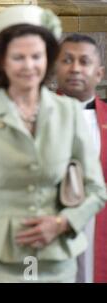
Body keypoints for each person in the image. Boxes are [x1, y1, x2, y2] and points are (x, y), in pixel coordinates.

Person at [0, 5, 107, 283]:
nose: (29, 66)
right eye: (19, 57)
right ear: (3, 61)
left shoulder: (69, 112)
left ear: (48, 60)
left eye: (36, 56)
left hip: (57, 260)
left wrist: (62, 222)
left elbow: (97, 191)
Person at [56, 34, 107, 283]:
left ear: (99, 73)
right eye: (67, 60)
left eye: (84, 61)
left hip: (98, 225)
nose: (75, 67)